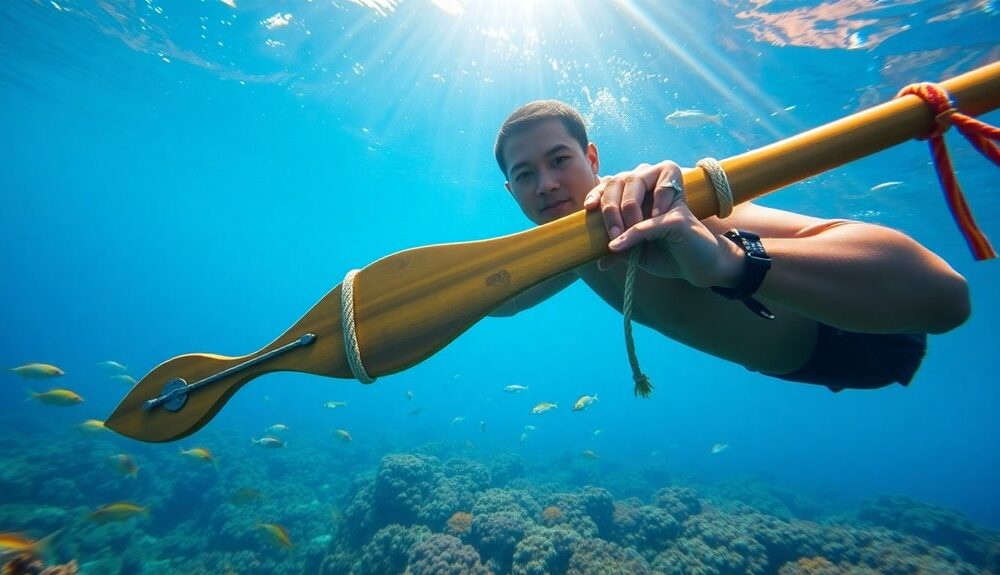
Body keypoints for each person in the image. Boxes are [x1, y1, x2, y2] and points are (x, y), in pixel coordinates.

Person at [489, 100, 970, 392]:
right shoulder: (565, 253)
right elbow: (502, 299)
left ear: (592, 157)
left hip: (862, 318)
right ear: (511, 192)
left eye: (559, 159)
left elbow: (946, 297)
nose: (547, 184)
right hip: (807, 366)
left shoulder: (661, 206)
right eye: (525, 174)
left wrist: (732, 263)